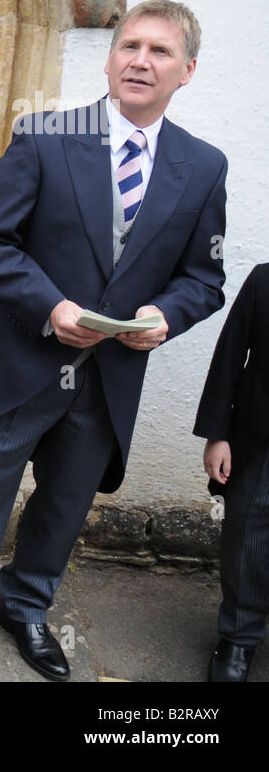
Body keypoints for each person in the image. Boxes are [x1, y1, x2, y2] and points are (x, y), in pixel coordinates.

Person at [0, 0, 227, 681]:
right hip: (24, 359)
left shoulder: (204, 166)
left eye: (160, 51)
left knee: (66, 500)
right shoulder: (45, 136)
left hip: (109, 378)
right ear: (109, 57)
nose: (140, 60)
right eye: (129, 44)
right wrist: (51, 305)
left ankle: (26, 606)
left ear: (187, 70)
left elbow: (204, 277)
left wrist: (167, 314)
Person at [194, 262, 269, 682]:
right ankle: (240, 635)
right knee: (248, 535)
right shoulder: (264, 279)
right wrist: (217, 434)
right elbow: (229, 356)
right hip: (260, 438)